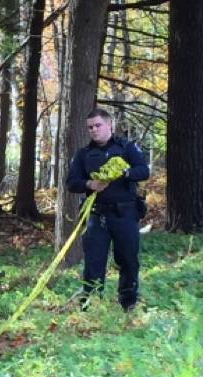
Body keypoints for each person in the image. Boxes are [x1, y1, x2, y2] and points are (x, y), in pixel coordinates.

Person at [66, 108, 150, 311]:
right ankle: (91, 305)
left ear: (109, 125)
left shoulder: (126, 148)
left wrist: (124, 172)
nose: (94, 130)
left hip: (125, 214)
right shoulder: (84, 154)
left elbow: (144, 171)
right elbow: (71, 183)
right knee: (94, 263)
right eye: (90, 127)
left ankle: (129, 304)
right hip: (97, 216)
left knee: (128, 260)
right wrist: (90, 184)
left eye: (98, 125)